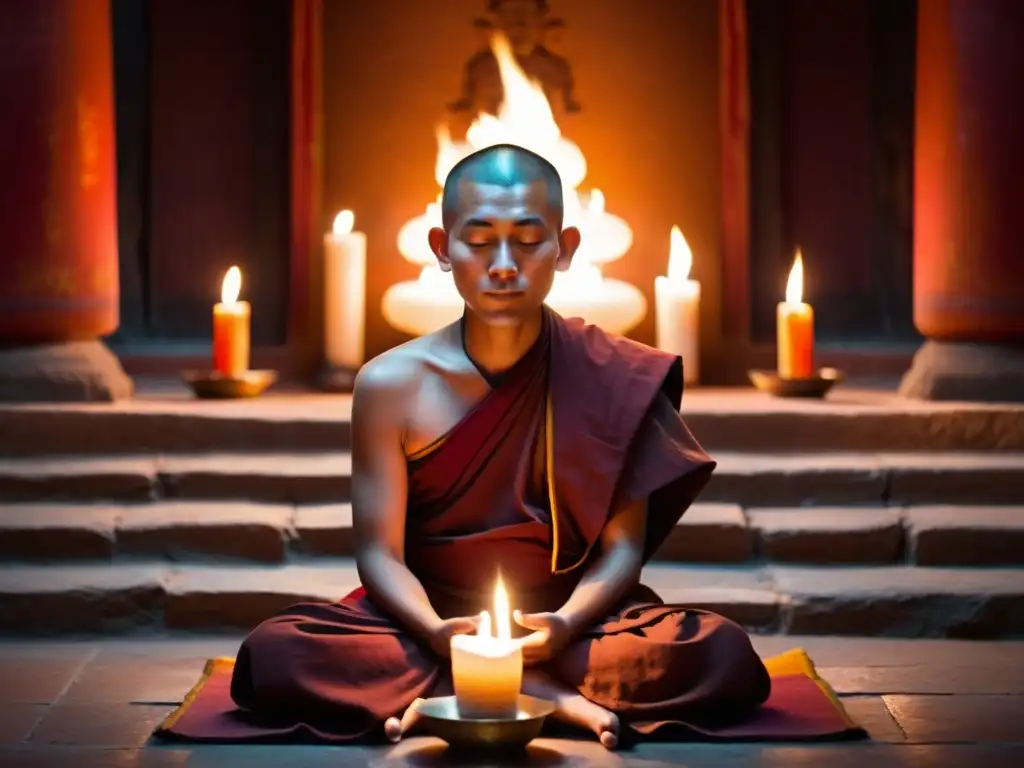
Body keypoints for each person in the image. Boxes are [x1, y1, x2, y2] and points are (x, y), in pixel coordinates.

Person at [229, 143, 770, 748]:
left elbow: (623, 551)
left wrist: (565, 624)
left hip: (571, 620)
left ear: (564, 248)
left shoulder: (613, 376)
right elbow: (379, 554)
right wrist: (437, 632)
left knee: (718, 652)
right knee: (275, 653)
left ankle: (464, 690)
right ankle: (542, 693)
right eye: (480, 240)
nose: (504, 264)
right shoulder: (389, 384)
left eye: (528, 240)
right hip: (425, 620)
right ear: (442, 249)